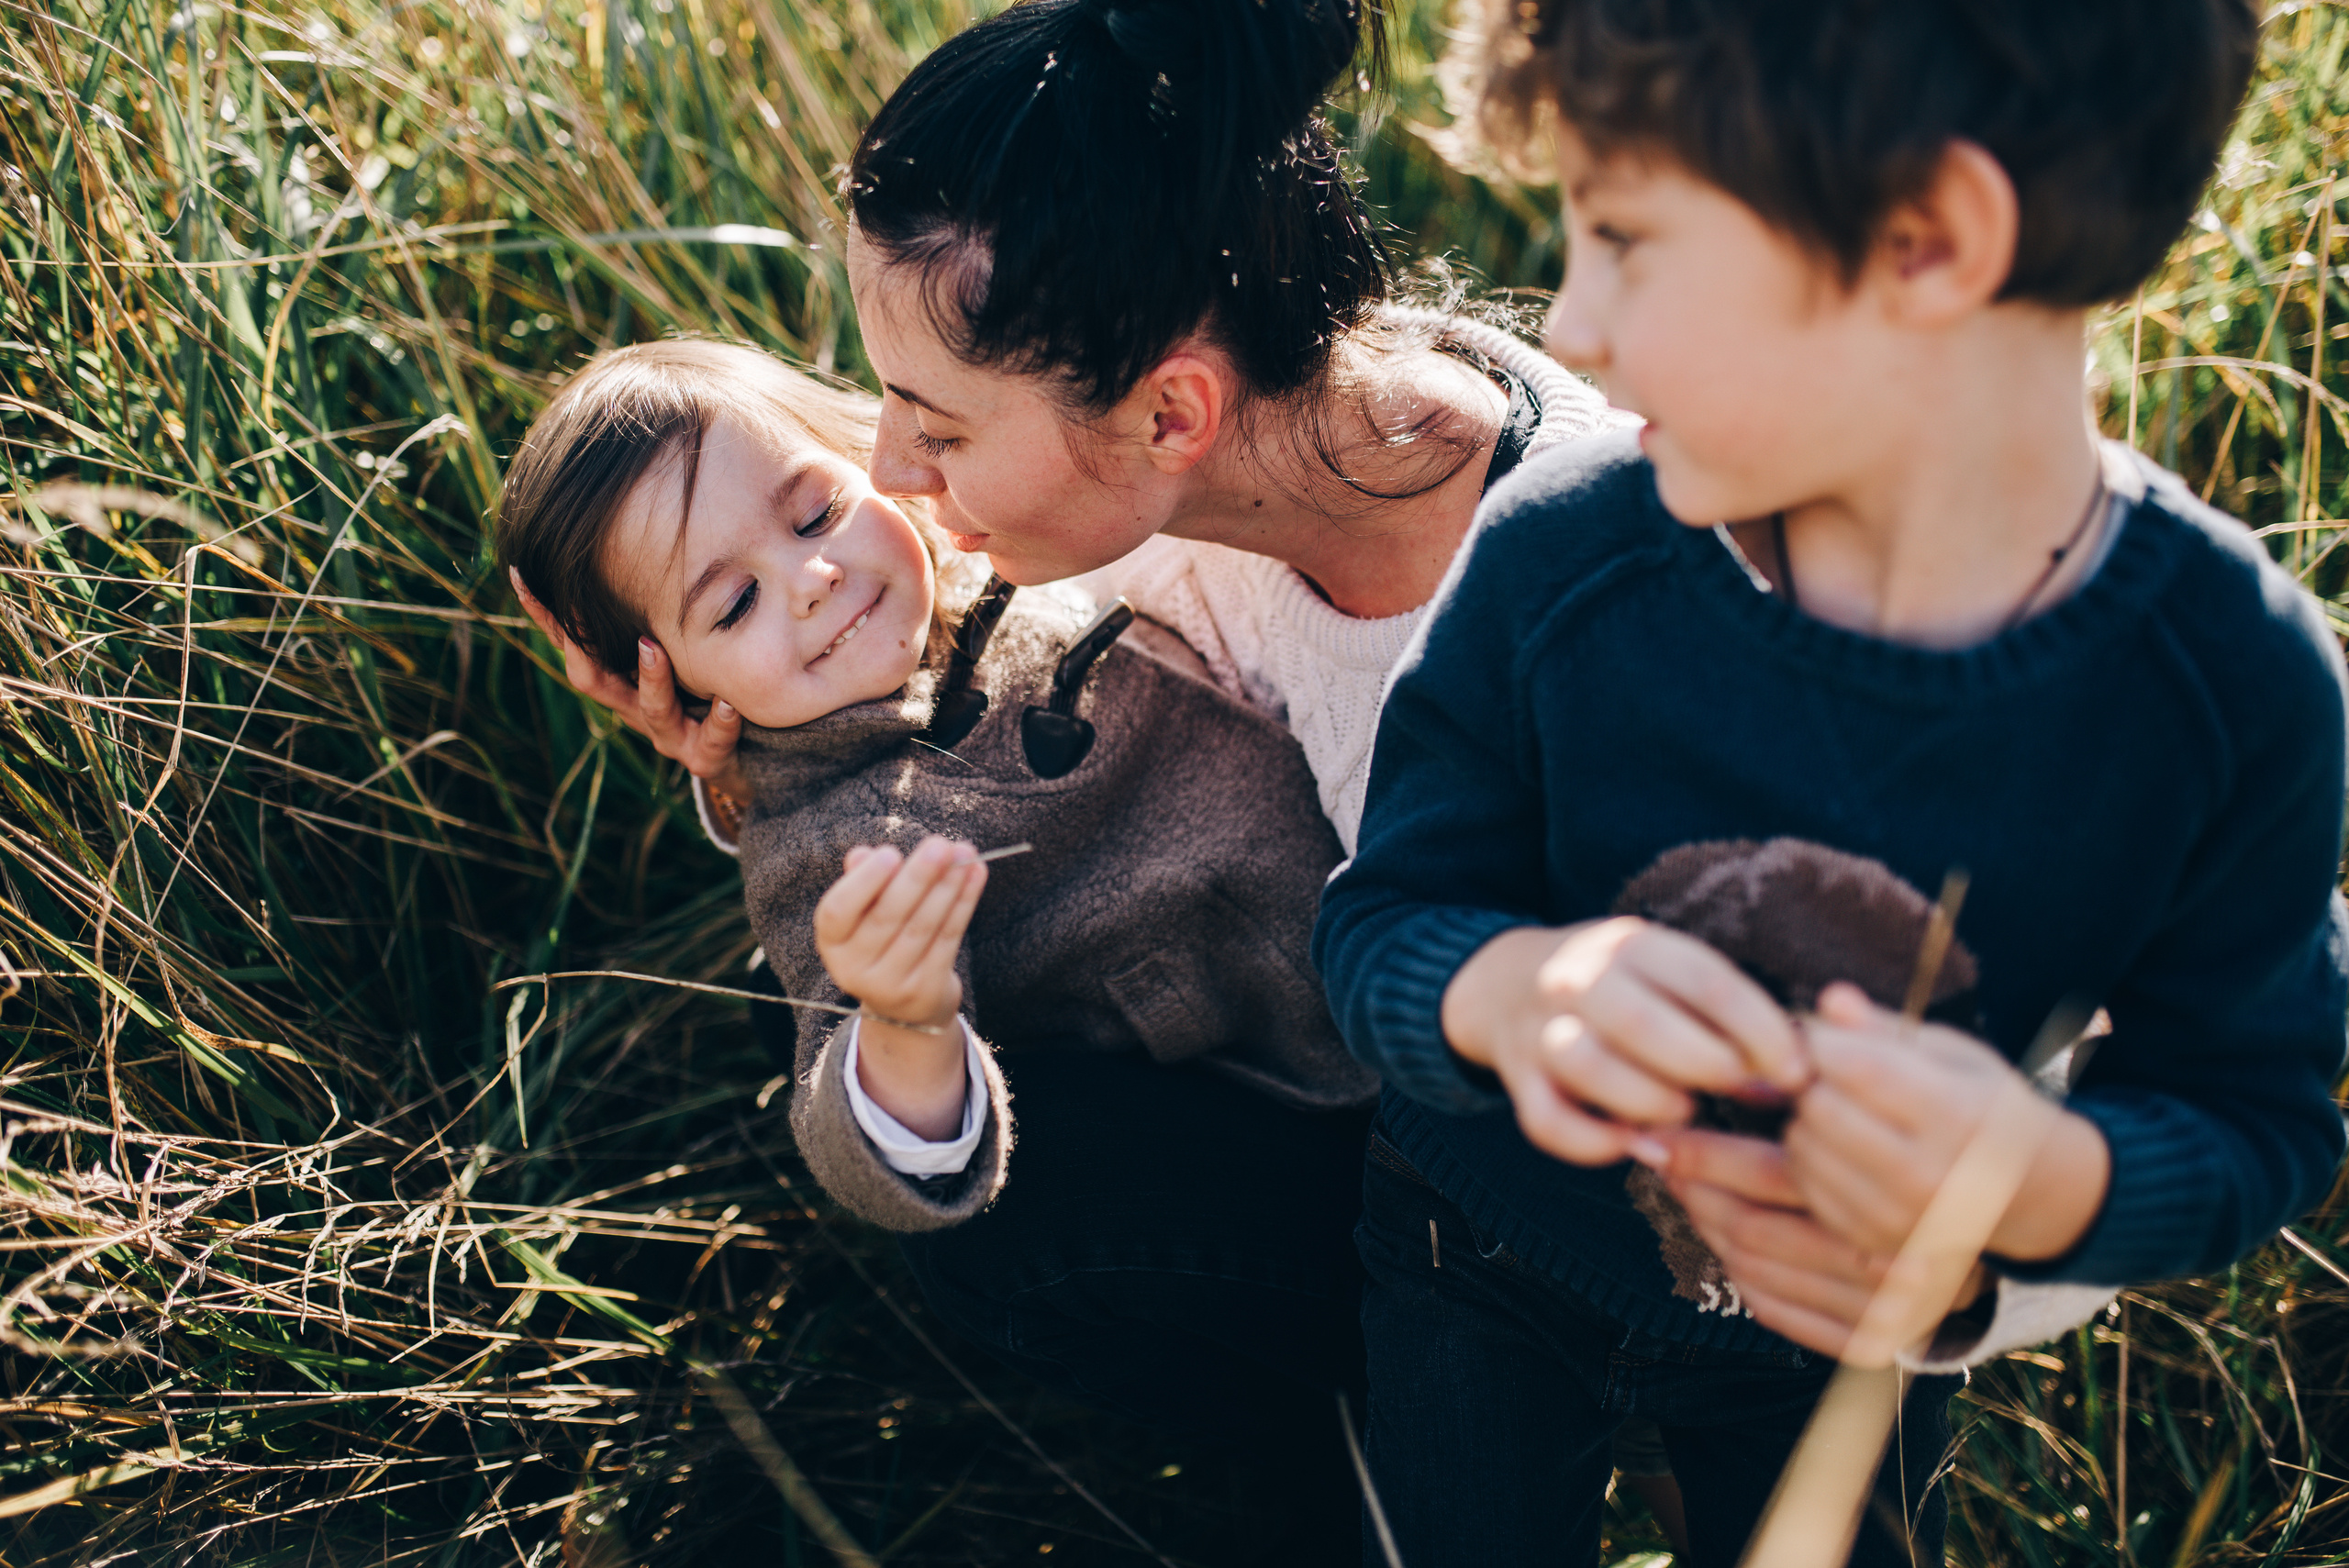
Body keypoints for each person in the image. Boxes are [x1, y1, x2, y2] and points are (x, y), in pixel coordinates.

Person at [507, 0, 1667, 1542]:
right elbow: (915, 599)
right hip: (1360, 1110)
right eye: (885, 419)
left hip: (1580, 1179)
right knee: (1013, 1211)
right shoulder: (1176, 485)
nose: (894, 477)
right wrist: (762, 757)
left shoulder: (1575, 629)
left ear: (1166, 413)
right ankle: (1352, 1431)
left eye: (923, 428)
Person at [1313, 1, 2349, 1564]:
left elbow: (2254, 1108)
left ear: (1929, 236)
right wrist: (1510, 991)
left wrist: (2034, 1186)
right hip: (1474, 1256)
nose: (1570, 327)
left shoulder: (2229, 689)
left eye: (1627, 239)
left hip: (1845, 1345)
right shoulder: (1567, 550)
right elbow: (1382, 917)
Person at [496, 335, 1375, 1235]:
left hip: (1393, 836)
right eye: (733, 604)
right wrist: (904, 1023)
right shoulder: (840, 845)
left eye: (815, 514)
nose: (812, 578)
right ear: (675, 680)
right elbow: (848, 1121)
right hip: (1327, 1062)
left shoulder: (975, 549)